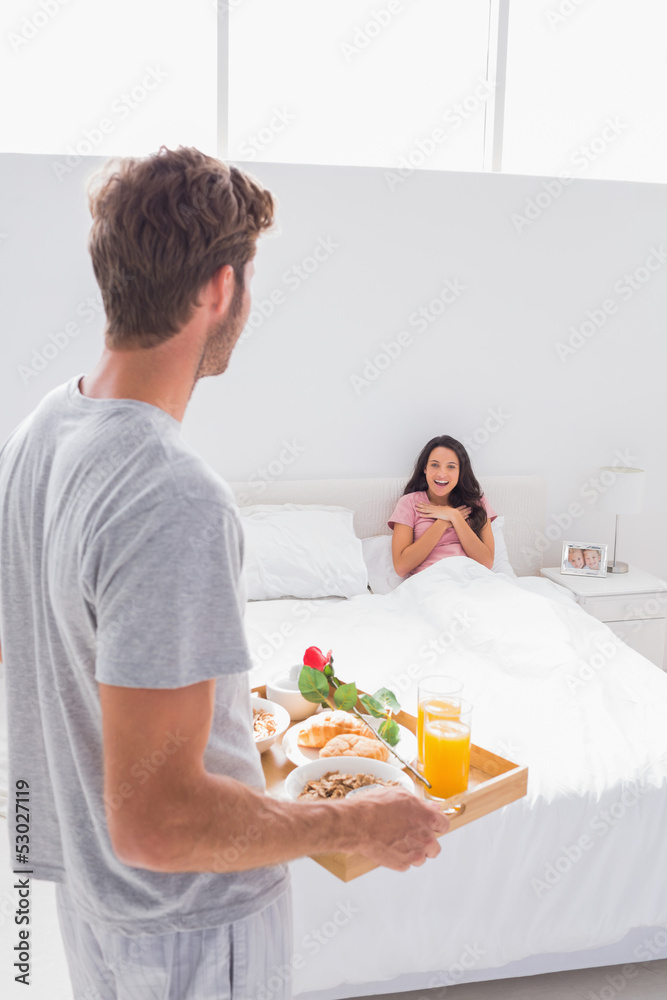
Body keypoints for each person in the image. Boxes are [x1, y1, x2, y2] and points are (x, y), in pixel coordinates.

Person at [0, 146, 449, 1000]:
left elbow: (26, 645)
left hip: (97, 906)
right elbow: (161, 825)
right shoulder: (171, 492)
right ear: (219, 288)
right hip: (190, 930)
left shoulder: (39, 433)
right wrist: (358, 823)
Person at [389, 435, 496, 577]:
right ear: (425, 468)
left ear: (460, 471)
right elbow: (401, 567)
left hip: (471, 579)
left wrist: (455, 516)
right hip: (431, 582)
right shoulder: (409, 503)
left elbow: (486, 563)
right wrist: (443, 523)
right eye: (434, 465)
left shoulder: (477, 502)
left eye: (451, 467)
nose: (441, 473)